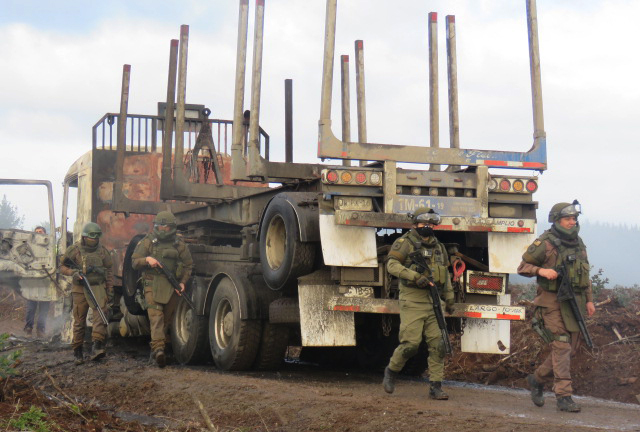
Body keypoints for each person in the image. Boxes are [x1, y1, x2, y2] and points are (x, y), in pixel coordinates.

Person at [518, 200, 595, 413]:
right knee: (561, 345)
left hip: (574, 303)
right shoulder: (545, 243)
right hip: (551, 301)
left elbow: (585, 275)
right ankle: (564, 396)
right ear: (557, 220)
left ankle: (537, 379)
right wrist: (541, 271)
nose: (572, 222)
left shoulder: (578, 243)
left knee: (569, 350)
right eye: (568, 218)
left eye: (574, 218)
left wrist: (589, 299)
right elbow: (522, 266)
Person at [382, 207, 454, 400]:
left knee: (438, 345)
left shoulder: (438, 247)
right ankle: (391, 371)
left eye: (431, 224)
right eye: (423, 223)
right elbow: (392, 265)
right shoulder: (404, 243)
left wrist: (450, 297)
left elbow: (445, 274)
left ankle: (436, 386)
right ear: (415, 224)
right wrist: (414, 276)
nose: (427, 227)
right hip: (413, 300)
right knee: (411, 345)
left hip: (434, 301)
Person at [131, 211, 193, 368]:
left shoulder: (179, 245)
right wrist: (147, 260)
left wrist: (183, 282)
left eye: (165, 227)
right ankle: (159, 350)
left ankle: (156, 350)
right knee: (156, 316)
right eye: (159, 226)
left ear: (172, 227)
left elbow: (188, 265)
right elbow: (134, 262)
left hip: (172, 286)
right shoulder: (148, 242)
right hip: (152, 283)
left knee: (166, 319)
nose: (162, 229)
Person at [59, 222, 113, 365]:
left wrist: (109, 289)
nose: (94, 239)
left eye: (96, 237)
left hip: (98, 287)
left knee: (100, 316)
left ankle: (97, 347)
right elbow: (62, 266)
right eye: (91, 236)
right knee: (79, 320)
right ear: (84, 237)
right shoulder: (74, 250)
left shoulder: (102, 251)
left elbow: (109, 271)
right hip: (80, 289)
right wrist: (73, 273)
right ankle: (78, 351)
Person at [23, 226, 51, 338]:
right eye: (37, 232)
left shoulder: (50, 246)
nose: (39, 234)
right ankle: (28, 328)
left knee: (44, 309)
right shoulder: (30, 247)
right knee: (31, 307)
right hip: (33, 282)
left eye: (41, 232)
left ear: (45, 233)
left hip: (46, 281)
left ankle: (41, 330)